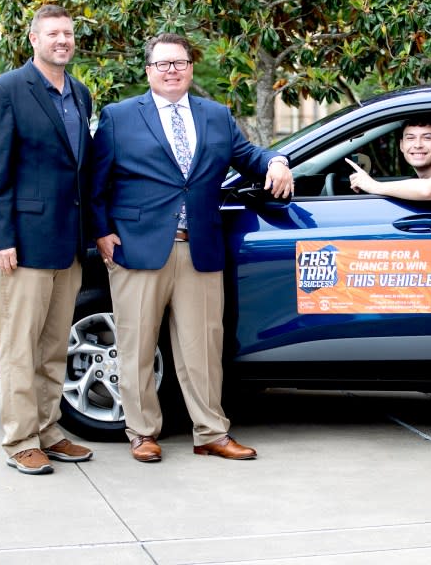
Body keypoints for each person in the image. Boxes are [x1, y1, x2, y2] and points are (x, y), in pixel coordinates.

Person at [89, 33, 293, 463]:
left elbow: (248, 155)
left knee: (203, 348)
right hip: (137, 250)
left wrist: (277, 161)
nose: (171, 71)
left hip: (199, 248)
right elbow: (96, 183)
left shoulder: (216, 115)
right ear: (148, 70)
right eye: (162, 64)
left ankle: (211, 433)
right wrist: (101, 232)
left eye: (179, 63)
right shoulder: (119, 116)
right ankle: (142, 432)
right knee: (137, 346)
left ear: (190, 67)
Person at [0, 4, 95, 475]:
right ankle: (20, 439)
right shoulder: (6, 91)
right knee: (20, 346)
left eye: (67, 33)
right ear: (34, 40)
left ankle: (48, 429)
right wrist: (0, 236)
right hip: (22, 244)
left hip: (68, 242)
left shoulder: (79, 93)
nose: (62, 40)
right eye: (52, 34)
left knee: (53, 346)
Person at [347, 118, 431, 200]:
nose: (418, 145)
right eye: (410, 138)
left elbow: (428, 190)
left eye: (427, 138)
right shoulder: (415, 182)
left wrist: (373, 185)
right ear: (402, 145)